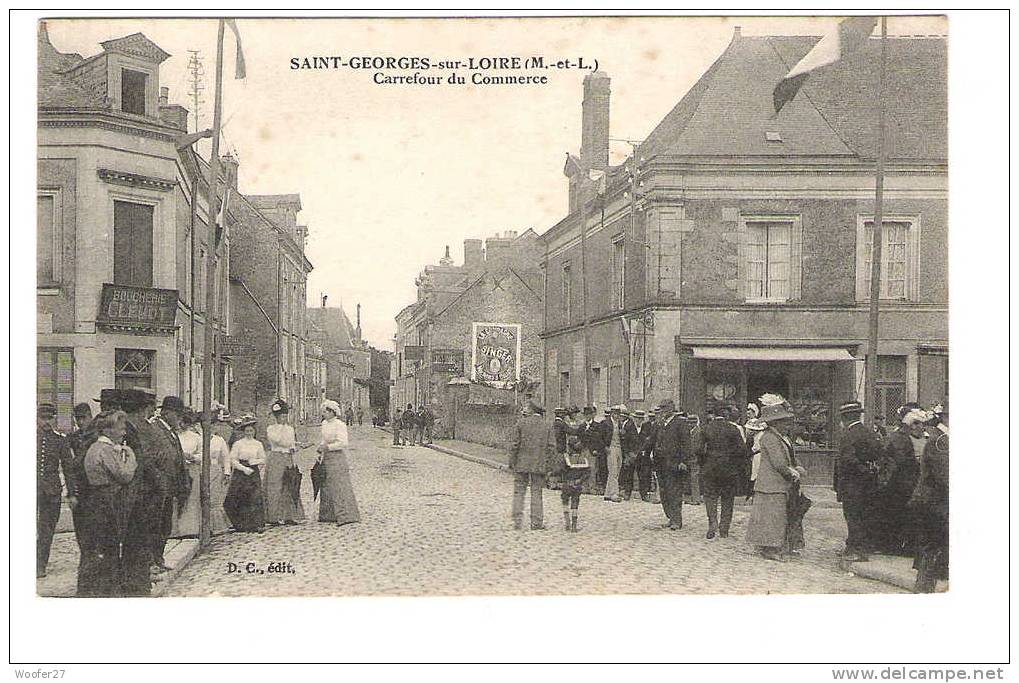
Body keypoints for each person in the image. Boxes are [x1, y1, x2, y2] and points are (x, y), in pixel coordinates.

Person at [81, 410, 137, 596]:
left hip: (99, 502)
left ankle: (99, 589)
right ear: (108, 430)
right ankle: (106, 591)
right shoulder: (103, 450)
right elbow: (125, 475)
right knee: (108, 548)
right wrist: (131, 457)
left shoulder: (96, 449)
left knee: (102, 548)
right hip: (105, 504)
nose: (124, 433)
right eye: (121, 429)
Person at [746, 399, 803, 561]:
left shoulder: (782, 437)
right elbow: (779, 463)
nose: (787, 425)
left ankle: (780, 546)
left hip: (778, 484)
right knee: (772, 518)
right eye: (783, 422)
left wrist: (797, 467)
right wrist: (792, 473)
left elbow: (790, 456)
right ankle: (770, 549)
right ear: (774, 423)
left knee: (778, 517)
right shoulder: (770, 438)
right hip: (771, 484)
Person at [873, 405, 925, 555]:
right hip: (900, 484)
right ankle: (895, 547)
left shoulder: (897, 437)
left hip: (896, 483)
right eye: (918, 424)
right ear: (910, 425)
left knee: (895, 516)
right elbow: (902, 462)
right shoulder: (901, 439)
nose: (920, 428)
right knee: (899, 516)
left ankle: (892, 546)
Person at [836, 401, 881, 562]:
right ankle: (856, 546)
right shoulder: (867, 432)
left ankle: (858, 550)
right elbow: (878, 452)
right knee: (863, 515)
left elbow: (848, 459)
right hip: (867, 484)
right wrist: (869, 471)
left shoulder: (848, 434)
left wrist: (861, 470)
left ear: (845, 417)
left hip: (852, 483)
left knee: (853, 516)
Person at [149, 395, 189, 571]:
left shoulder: (171, 432)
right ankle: (152, 561)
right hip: (158, 487)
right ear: (166, 413)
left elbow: (176, 456)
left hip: (170, 486)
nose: (180, 419)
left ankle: (159, 559)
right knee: (156, 525)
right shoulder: (155, 430)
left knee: (165, 524)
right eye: (177, 415)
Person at [693, 405, 746, 539]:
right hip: (728, 470)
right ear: (726, 415)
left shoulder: (706, 428)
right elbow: (741, 450)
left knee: (710, 497)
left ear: (713, 415)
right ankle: (724, 529)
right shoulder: (733, 429)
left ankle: (712, 523)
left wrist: (704, 462)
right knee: (727, 499)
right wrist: (733, 461)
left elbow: (698, 449)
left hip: (710, 468)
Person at [912, 401, 948, 592]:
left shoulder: (941, 437)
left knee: (935, 548)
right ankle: (924, 591)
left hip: (936, 502)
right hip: (935, 503)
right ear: (945, 417)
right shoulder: (939, 440)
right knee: (933, 548)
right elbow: (945, 477)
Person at [37, 402, 75, 578]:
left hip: (51, 491)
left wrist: (72, 492)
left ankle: (40, 565)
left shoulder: (60, 440)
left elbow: (68, 467)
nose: (45, 422)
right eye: (42, 418)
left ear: (53, 419)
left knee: (46, 530)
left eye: (48, 418)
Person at [509, 402, 554, 530]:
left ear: (531, 410)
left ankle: (517, 521)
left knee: (519, 492)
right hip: (539, 464)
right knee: (537, 492)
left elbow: (514, 445)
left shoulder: (521, 423)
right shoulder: (547, 425)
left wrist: (511, 462)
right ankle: (536, 522)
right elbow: (551, 448)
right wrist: (549, 466)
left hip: (521, 463)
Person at [317, 400, 361, 526]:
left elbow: (343, 443)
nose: (324, 414)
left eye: (325, 411)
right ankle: (328, 514)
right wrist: (320, 449)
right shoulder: (324, 424)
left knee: (339, 485)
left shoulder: (339, 425)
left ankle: (345, 514)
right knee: (326, 485)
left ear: (332, 412)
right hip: (326, 457)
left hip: (337, 458)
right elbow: (323, 439)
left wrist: (328, 447)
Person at [265, 399, 306, 526]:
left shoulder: (290, 429)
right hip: (276, 457)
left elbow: (291, 443)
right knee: (275, 485)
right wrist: (283, 430)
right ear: (276, 417)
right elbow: (278, 441)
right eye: (281, 416)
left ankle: (290, 515)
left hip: (288, 457)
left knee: (290, 484)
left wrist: (295, 447)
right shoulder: (271, 429)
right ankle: (274, 516)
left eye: (285, 416)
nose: (283, 418)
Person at [223, 416, 267, 532]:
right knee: (240, 496)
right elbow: (233, 459)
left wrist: (255, 462)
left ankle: (256, 524)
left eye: (251, 431)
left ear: (254, 431)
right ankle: (241, 524)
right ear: (243, 432)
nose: (249, 433)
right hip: (240, 473)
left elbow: (263, 459)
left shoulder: (258, 444)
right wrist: (243, 468)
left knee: (255, 497)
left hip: (253, 472)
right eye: (247, 431)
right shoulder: (238, 444)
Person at [652, 399, 690, 530]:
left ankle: (676, 520)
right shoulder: (661, 424)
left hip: (674, 463)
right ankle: (670, 516)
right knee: (664, 492)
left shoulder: (680, 423)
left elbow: (686, 444)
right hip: (660, 463)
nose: (662, 411)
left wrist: (683, 461)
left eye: (664, 408)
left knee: (674, 491)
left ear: (671, 408)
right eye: (661, 408)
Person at [552, 408, 587, 532]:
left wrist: (556, 476)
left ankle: (567, 523)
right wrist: (582, 427)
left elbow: (561, 470)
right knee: (575, 502)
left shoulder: (556, 423)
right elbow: (573, 431)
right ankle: (573, 525)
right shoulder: (561, 423)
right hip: (577, 485)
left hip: (567, 484)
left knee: (565, 500)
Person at [171, 410, 202, 537]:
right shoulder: (173, 435)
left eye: (185, 422)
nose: (182, 424)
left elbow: (203, 454)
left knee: (191, 498)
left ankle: (190, 529)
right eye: (180, 422)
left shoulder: (196, 437)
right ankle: (174, 529)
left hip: (192, 468)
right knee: (176, 498)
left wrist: (193, 457)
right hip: (177, 468)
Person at [602, 405, 637, 503]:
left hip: (619, 449)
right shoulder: (606, 423)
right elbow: (599, 437)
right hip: (611, 448)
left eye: (618, 414)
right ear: (611, 414)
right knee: (613, 470)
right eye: (615, 414)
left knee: (617, 470)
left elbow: (625, 439)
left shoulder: (620, 424)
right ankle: (614, 493)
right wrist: (605, 447)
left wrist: (623, 434)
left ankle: (608, 493)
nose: (617, 416)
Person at [578, 406, 606, 494]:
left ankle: (592, 487)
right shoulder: (582, 426)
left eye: (588, 415)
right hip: (583, 450)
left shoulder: (597, 426)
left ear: (592, 415)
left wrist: (596, 449)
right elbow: (579, 437)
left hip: (592, 450)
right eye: (585, 415)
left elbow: (599, 439)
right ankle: (584, 487)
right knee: (583, 468)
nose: (587, 416)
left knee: (592, 469)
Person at [636, 409, 658, 502]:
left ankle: (655, 493)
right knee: (645, 473)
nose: (652, 418)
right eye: (650, 417)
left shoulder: (659, 425)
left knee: (656, 473)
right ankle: (644, 493)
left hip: (657, 451)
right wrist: (643, 450)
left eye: (653, 416)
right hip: (646, 452)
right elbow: (642, 438)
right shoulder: (645, 425)